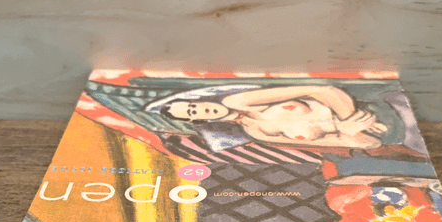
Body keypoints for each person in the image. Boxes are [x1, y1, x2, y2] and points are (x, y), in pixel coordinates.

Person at [160, 85, 388, 150]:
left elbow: (323, 91)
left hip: (380, 103)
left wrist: (351, 117)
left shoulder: (237, 101)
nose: (200, 110)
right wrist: (352, 131)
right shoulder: (257, 133)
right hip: (389, 132)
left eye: (193, 105)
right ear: (198, 122)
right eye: (192, 113)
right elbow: (369, 144)